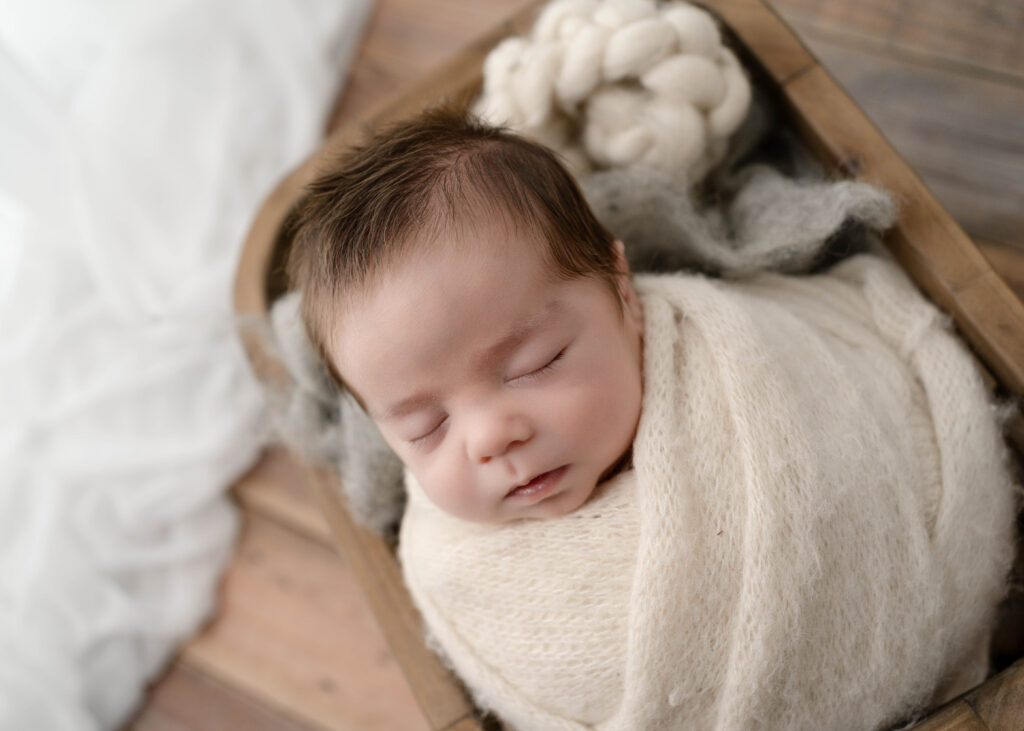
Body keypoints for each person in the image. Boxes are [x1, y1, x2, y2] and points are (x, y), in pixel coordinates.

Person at [286, 106, 1016, 731]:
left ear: (623, 291)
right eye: (423, 427)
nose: (488, 436)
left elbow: (862, 401)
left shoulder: (735, 359)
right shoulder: (454, 564)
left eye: (535, 362)